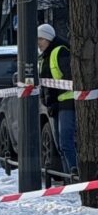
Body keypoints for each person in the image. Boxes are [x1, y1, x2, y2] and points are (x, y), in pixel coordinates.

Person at [37, 23, 76, 175]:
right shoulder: (43, 57)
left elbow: (68, 77)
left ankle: (75, 176)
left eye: (41, 39)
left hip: (66, 102)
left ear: (48, 38)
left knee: (66, 143)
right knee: (59, 146)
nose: (39, 43)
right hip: (54, 105)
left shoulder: (60, 51)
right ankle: (69, 179)